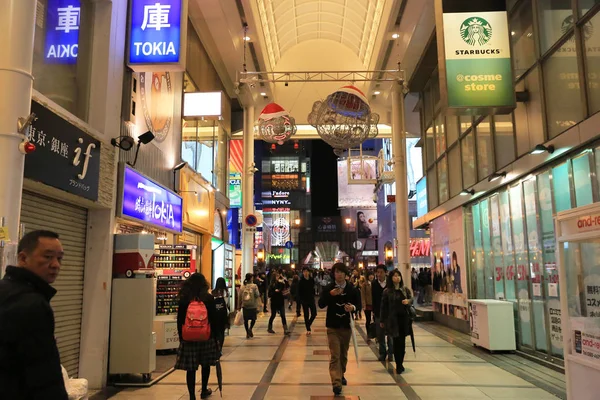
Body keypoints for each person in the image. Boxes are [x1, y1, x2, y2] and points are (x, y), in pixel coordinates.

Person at [0, 230, 68, 399]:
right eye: (47, 257)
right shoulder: (32, 304)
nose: (55, 265)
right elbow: (43, 374)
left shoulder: (4, 289)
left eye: (59, 258)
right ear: (23, 259)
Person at [175, 273, 220, 400]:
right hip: (206, 337)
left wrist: (181, 336)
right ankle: (204, 389)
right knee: (205, 365)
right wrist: (216, 336)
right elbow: (214, 319)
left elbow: (180, 320)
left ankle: (192, 395)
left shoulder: (184, 299)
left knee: (191, 368)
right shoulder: (208, 298)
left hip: (188, 338)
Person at [319, 263, 359, 396]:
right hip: (333, 326)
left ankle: (341, 374)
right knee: (335, 354)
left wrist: (352, 308)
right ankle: (336, 383)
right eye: (337, 272)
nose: (339, 274)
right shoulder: (329, 287)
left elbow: (359, 305)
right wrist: (330, 294)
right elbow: (321, 304)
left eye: (341, 272)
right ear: (333, 274)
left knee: (343, 354)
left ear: (345, 274)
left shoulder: (352, 288)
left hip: (346, 326)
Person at [380, 269, 413, 374]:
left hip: (404, 320)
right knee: (395, 342)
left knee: (402, 343)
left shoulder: (405, 289)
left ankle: (400, 363)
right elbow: (383, 307)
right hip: (392, 321)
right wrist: (382, 320)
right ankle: (398, 364)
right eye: (394, 276)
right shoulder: (387, 291)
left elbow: (411, 299)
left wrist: (408, 301)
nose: (397, 278)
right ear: (391, 278)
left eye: (398, 276)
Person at [372, 264, 394, 362]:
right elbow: (374, 298)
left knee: (390, 335)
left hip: (390, 313)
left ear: (386, 272)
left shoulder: (390, 283)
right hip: (378, 313)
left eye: (381, 272)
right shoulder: (374, 283)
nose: (379, 274)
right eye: (378, 272)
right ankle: (382, 353)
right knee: (380, 335)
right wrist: (374, 311)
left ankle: (390, 353)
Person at [238, 273, 261, 338]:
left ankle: (247, 332)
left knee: (246, 320)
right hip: (253, 305)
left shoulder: (242, 286)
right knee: (253, 319)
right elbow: (257, 295)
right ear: (251, 278)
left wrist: (238, 306)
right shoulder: (254, 286)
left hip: (245, 306)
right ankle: (250, 328)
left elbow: (239, 296)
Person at [268, 270, 290, 335]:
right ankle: (269, 327)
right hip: (274, 302)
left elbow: (287, 285)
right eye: (277, 276)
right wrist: (275, 292)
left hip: (280, 301)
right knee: (273, 315)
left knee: (283, 315)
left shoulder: (280, 283)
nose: (278, 277)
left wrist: (283, 278)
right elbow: (269, 294)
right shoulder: (271, 285)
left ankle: (285, 329)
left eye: (278, 276)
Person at [298, 267, 317, 335]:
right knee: (306, 315)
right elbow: (299, 291)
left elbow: (313, 288)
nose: (305, 273)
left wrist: (313, 294)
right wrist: (301, 300)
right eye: (304, 271)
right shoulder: (301, 281)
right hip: (304, 300)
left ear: (309, 272)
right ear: (302, 273)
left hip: (311, 299)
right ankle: (308, 329)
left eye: (306, 271)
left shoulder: (311, 280)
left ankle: (308, 324)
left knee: (314, 313)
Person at [212, 277, 230, 351]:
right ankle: (220, 347)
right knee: (222, 331)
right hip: (223, 314)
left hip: (215, 314)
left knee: (216, 330)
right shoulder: (226, 292)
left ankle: (216, 346)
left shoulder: (213, 292)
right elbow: (227, 303)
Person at [360, 271, 374, 339]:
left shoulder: (375, 283)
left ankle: (375, 334)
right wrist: (364, 305)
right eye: (370, 275)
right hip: (367, 305)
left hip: (375, 305)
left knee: (375, 320)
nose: (371, 276)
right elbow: (363, 295)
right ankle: (368, 334)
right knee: (368, 320)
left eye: (372, 275)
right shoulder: (364, 285)